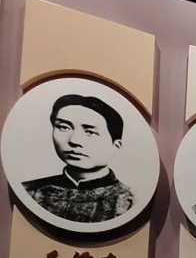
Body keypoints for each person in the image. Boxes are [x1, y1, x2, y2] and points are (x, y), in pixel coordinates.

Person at [23, 94, 134, 223]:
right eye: (64, 127)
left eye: (90, 132)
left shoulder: (130, 201)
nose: (74, 141)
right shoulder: (29, 192)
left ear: (116, 146)